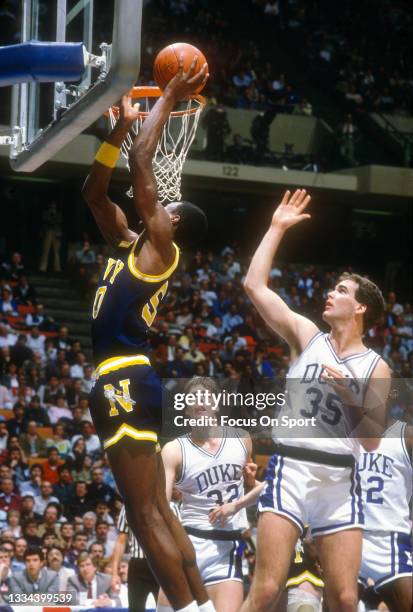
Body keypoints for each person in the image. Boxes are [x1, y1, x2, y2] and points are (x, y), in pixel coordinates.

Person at [82, 54, 213, 612]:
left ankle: (186, 608)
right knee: (156, 510)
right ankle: (203, 605)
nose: (158, 201)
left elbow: (143, 159)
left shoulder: (162, 247)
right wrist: (115, 129)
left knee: (143, 515)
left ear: (173, 223)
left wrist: (165, 98)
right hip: (132, 381)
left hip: (123, 378)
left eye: (167, 205)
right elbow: (94, 192)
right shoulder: (127, 244)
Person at [241, 188, 390, 611]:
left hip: (340, 480)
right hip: (291, 466)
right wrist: (275, 228)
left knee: (344, 597)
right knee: (268, 589)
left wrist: (349, 395)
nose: (330, 293)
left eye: (340, 290)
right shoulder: (308, 336)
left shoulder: (376, 366)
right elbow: (254, 285)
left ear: (360, 308)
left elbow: (372, 441)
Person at [160, 378, 257, 612]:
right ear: (185, 410)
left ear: (215, 405)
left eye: (204, 397)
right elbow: (162, 508)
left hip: (226, 548)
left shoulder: (241, 439)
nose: (198, 402)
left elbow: (253, 485)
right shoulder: (173, 450)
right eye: (191, 399)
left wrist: (238, 503)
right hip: (187, 543)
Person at [358, 417, 412, 612]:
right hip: (349, 533)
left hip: (390, 540)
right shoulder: (345, 430)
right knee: (336, 605)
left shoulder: (406, 435)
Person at [112, 503, 158, 612]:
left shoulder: (168, 504)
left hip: (162, 564)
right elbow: (121, 541)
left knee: (166, 609)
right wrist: (114, 573)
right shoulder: (128, 506)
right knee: (135, 609)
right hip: (137, 564)